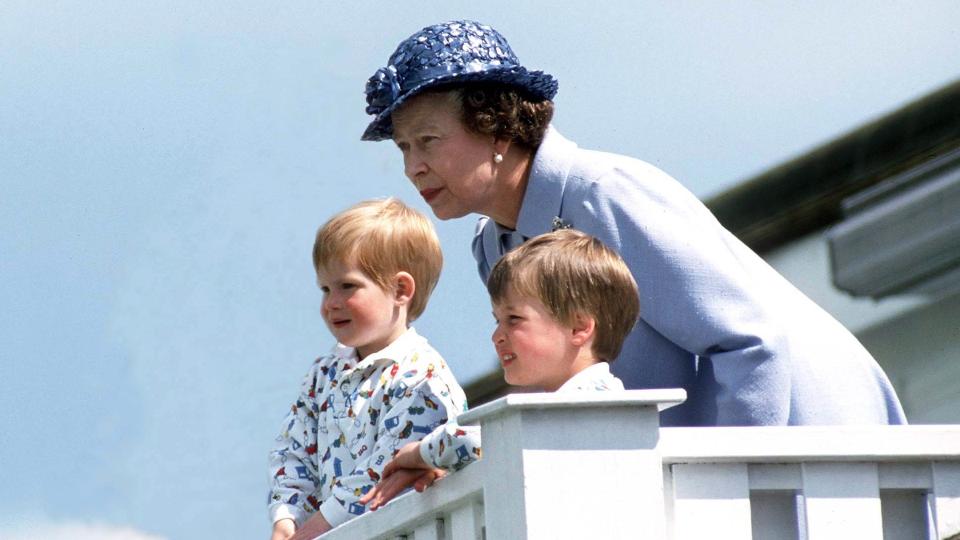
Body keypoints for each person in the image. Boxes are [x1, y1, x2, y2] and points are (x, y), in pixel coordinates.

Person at [360, 20, 906, 427]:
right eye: (404, 148)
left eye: (428, 141)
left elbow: (749, 341)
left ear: (497, 127)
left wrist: (725, 496)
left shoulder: (604, 193)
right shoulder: (494, 244)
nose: (413, 168)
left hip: (819, 453)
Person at [360, 228, 640, 510]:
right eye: (497, 321)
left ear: (579, 327)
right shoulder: (573, 403)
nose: (497, 336)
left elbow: (480, 440)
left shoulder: (592, 399)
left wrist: (418, 454)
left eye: (514, 319)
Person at [267, 198, 468, 540]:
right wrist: (287, 516)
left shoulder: (423, 376)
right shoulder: (324, 372)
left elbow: (387, 468)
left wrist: (316, 529)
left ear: (400, 289)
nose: (331, 302)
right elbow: (293, 447)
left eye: (348, 286)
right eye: (325, 288)